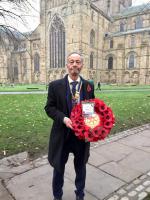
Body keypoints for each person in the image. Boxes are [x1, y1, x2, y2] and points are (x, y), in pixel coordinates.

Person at [44, 52, 95, 200]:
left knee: (81, 167)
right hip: (62, 135)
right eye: (71, 62)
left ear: (82, 65)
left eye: (77, 62)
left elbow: (90, 108)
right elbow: (50, 108)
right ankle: (57, 196)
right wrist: (64, 119)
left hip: (81, 137)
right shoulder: (55, 86)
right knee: (58, 169)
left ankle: (80, 195)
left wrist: (98, 123)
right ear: (67, 65)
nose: (74, 65)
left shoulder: (88, 86)